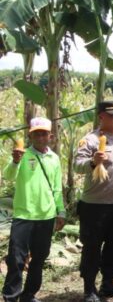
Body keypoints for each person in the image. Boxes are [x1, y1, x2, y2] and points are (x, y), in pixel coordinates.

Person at [74, 101, 113, 302]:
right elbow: (77, 165)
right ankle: (89, 289)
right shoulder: (90, 140)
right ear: (101, 116)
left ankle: (108, 284)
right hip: (95, 205)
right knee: (92, 247)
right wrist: (93, 161)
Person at [1, 118, 65, 302]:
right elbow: (8, 176)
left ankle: (29, 294)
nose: (40, 137)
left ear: (50, 136)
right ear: (30, 135)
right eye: (36, 133)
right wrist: (14, 161)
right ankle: (11, 296)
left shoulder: (54, 159)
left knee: (39, 258)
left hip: (46, 216)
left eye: (44, 133)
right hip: (24, 215)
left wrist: (60, 212)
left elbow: (57, 188)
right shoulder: (22, 155)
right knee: (16, 259)